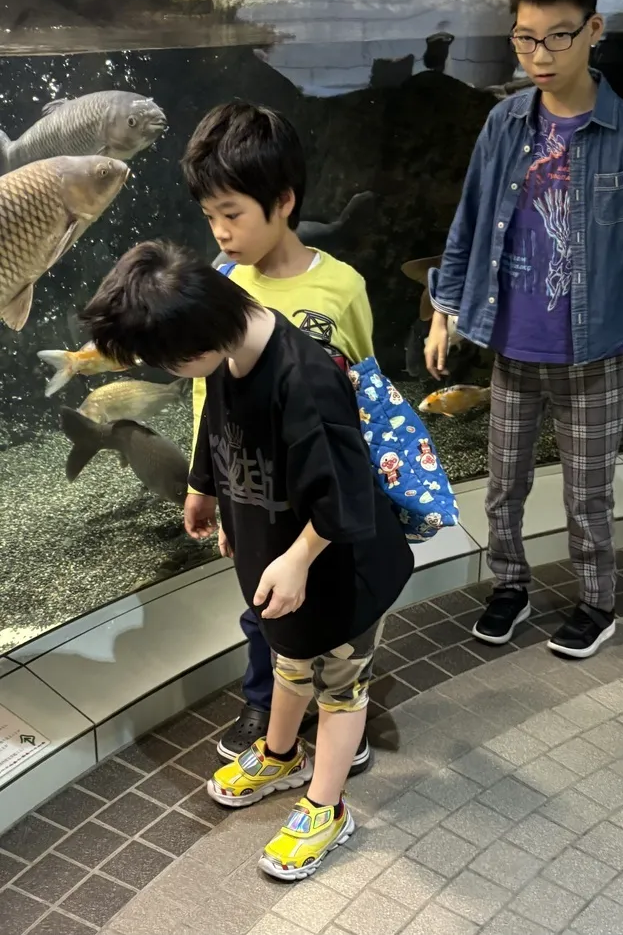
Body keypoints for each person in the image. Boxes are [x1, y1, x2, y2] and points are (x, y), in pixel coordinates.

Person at [82, 241, 414, 879]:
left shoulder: (306, 378)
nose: (171, 373)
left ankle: (328, 807)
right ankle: (282, 753)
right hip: (275, 549)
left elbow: (344, 495)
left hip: (336, 564)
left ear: (196, 338)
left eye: (165, 361)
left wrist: (298, 558)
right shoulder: (227, 353)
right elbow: (216, 428)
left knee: (341, 685)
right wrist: (207, 489)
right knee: (288, 657)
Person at [425, 0, 623, 659]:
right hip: (511, 349)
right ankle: (510, 586)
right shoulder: (504, 125)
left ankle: (596, 603)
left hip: (594, 352)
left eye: (557, 36)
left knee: (589, 497)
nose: (539, 54)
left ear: (594, 29)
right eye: (525, 37)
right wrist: (442, 308)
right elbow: (470, 221)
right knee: (501, 488)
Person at [181, 102, 375, 772]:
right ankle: (264, 707)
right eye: (210, 217)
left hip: (318, 499)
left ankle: (340, 715)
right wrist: (203, 483)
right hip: (250, 490)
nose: (221, 233)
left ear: (283, 200)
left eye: (231, 214)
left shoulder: (341, 287)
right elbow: (208, 395)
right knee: (260, 608)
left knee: (333, 614)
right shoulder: (221, 286)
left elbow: (365, 394)